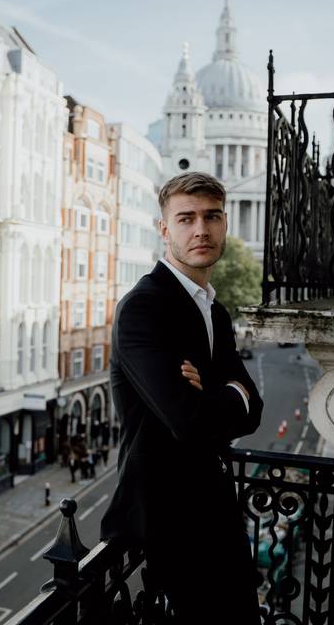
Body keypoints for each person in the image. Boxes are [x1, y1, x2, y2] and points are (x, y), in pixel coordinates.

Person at [100, 172, 263, 623]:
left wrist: (216, 392)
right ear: (164, 229)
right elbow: (188, 423)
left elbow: (255, 409)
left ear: (226, 223)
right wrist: (230, 392)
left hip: (216, 510)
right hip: (170, 520)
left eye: (212, 217)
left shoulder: (215, 309)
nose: (201, 230)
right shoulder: (144, 308)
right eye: (186, 218)